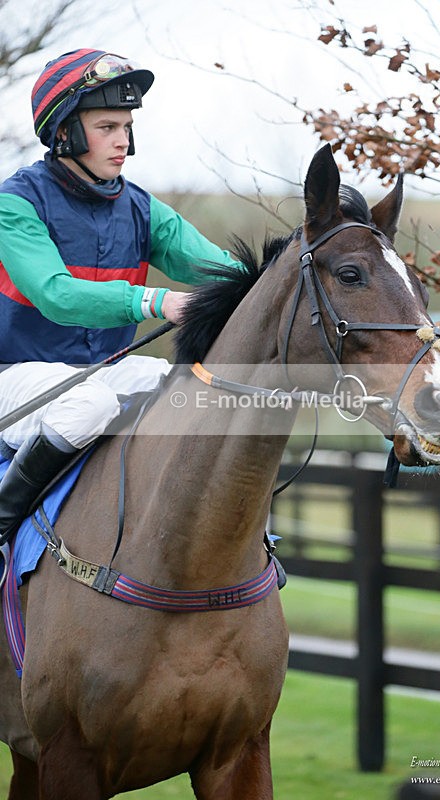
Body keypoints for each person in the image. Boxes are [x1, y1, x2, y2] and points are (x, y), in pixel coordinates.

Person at [0, 48, 242, 546]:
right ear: (64, 131)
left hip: (104, 371)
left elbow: (224, 270)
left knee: (197, 392)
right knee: (86, 405)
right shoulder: (15, 203)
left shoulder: (142, 209)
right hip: (15, 375)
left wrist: (293, 269)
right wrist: (153, 302)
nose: (123, 140)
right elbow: (55, 296)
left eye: (126, 126)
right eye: (107, 126)